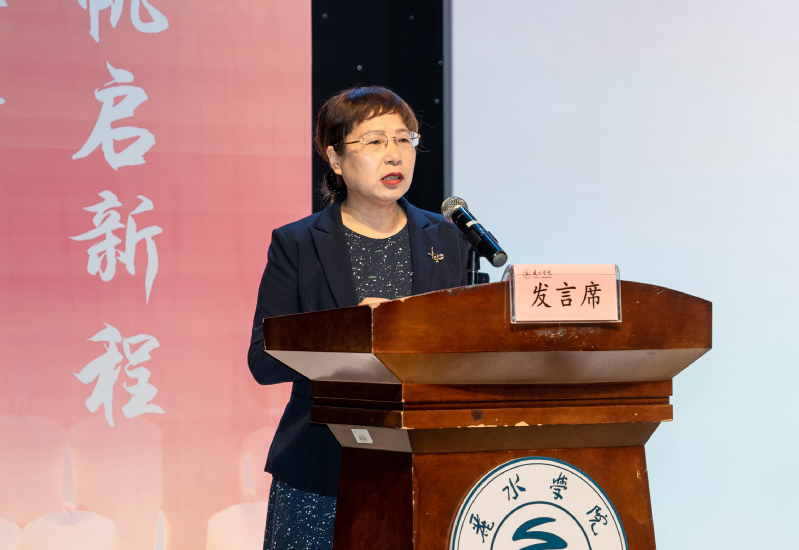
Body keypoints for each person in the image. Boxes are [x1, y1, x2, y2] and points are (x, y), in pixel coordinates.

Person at [248, 86, 470, 550]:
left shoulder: (446, 238)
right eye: (375, 141)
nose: (394, 154)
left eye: (404, 139)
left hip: (425, 465)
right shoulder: (298, 244)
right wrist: (349, 330)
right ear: (335, 158)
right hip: (321, 467)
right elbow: (263, 360)